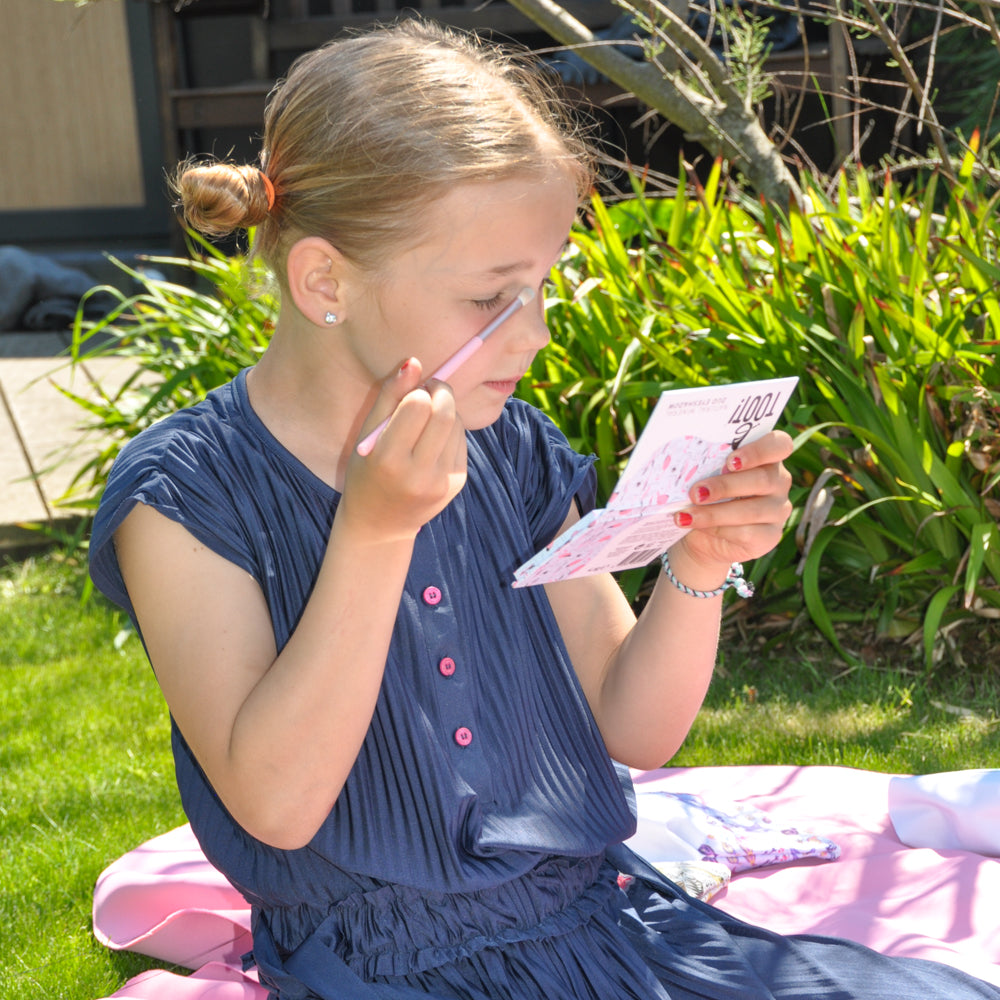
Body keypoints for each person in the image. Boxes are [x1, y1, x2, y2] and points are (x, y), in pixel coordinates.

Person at [89, 18, 999, 1000]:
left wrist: (696, 568)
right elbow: (277, 802)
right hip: (382, 970)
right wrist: (375, 533)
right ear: (324, 282)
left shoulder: (511, 451)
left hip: (599, 925)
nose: (536, 333)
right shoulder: (185, 494)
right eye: (490, 298)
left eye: (543, 286)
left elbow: (632, 726)